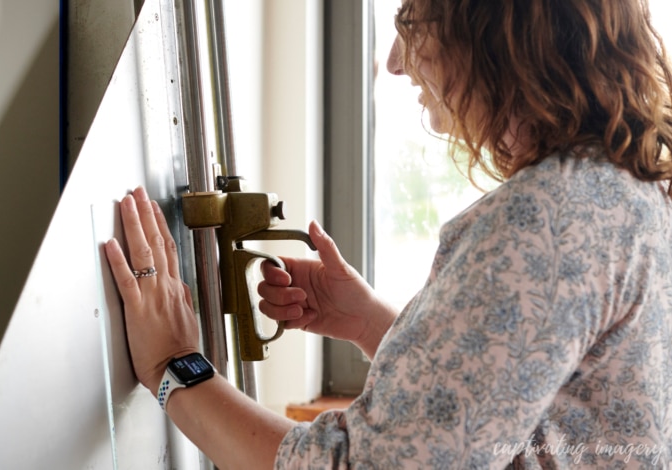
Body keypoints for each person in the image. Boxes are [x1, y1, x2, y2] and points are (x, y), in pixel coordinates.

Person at [105, 0, 672, 467]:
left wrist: (175, 367)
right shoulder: (628, 188)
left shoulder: (546, 221)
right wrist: (374, 324)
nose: (398, 62)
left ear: (493, 34)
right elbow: (534, 418)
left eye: (412, 21)